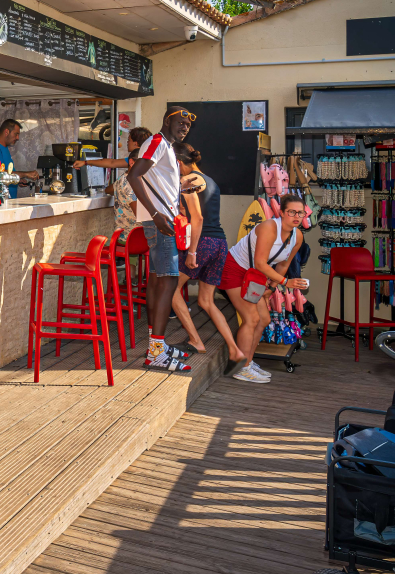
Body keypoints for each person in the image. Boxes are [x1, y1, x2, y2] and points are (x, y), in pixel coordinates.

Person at [168, 142, 247, 374]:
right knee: (206, 301)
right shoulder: (209, 180)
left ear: (179, 162)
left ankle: (195, 340)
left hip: (202, 242)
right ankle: (235, 351)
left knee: (172, 288)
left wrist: (192, 251)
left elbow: (198, 219)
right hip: (219, 243)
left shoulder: (191, 181)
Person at [127, 107, 193, 372]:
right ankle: (156, 351)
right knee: (168, 281)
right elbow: (134, 175)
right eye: (180, 122)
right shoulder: (156, 142)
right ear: (167, 120)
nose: (184, 128)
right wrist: (155, 214)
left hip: (164, 221)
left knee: (158, 281)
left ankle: (158, 345)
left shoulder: (165, 146)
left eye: (188, 126)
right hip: (161, 223)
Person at [219, 194, 309, 383]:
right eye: (291, 211)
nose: (296, 216)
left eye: (300, 212)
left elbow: (283, 265)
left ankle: (248, 362)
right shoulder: (269, 227)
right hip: (235, 269)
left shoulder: (297, 236)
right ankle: (240, 367)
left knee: (264, 319)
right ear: (282, 213)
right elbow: (260, 263)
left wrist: (272, 287)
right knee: (251, 318)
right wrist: (286, 282)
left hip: (254, 276)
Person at [75, 126, 150, 173]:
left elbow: (112, 163)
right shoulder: (145, 156)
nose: (127, 142)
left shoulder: (138, 159)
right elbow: (112, 163)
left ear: (135, 143)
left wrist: (85, 162)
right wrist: (85, 162)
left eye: (129, 140)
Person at [0, 118, 39, 184]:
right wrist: (25, 174)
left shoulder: (5, 148)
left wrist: (17, 181)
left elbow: (8, 174)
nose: (17, 138)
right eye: (16, 134)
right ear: (6, 132)